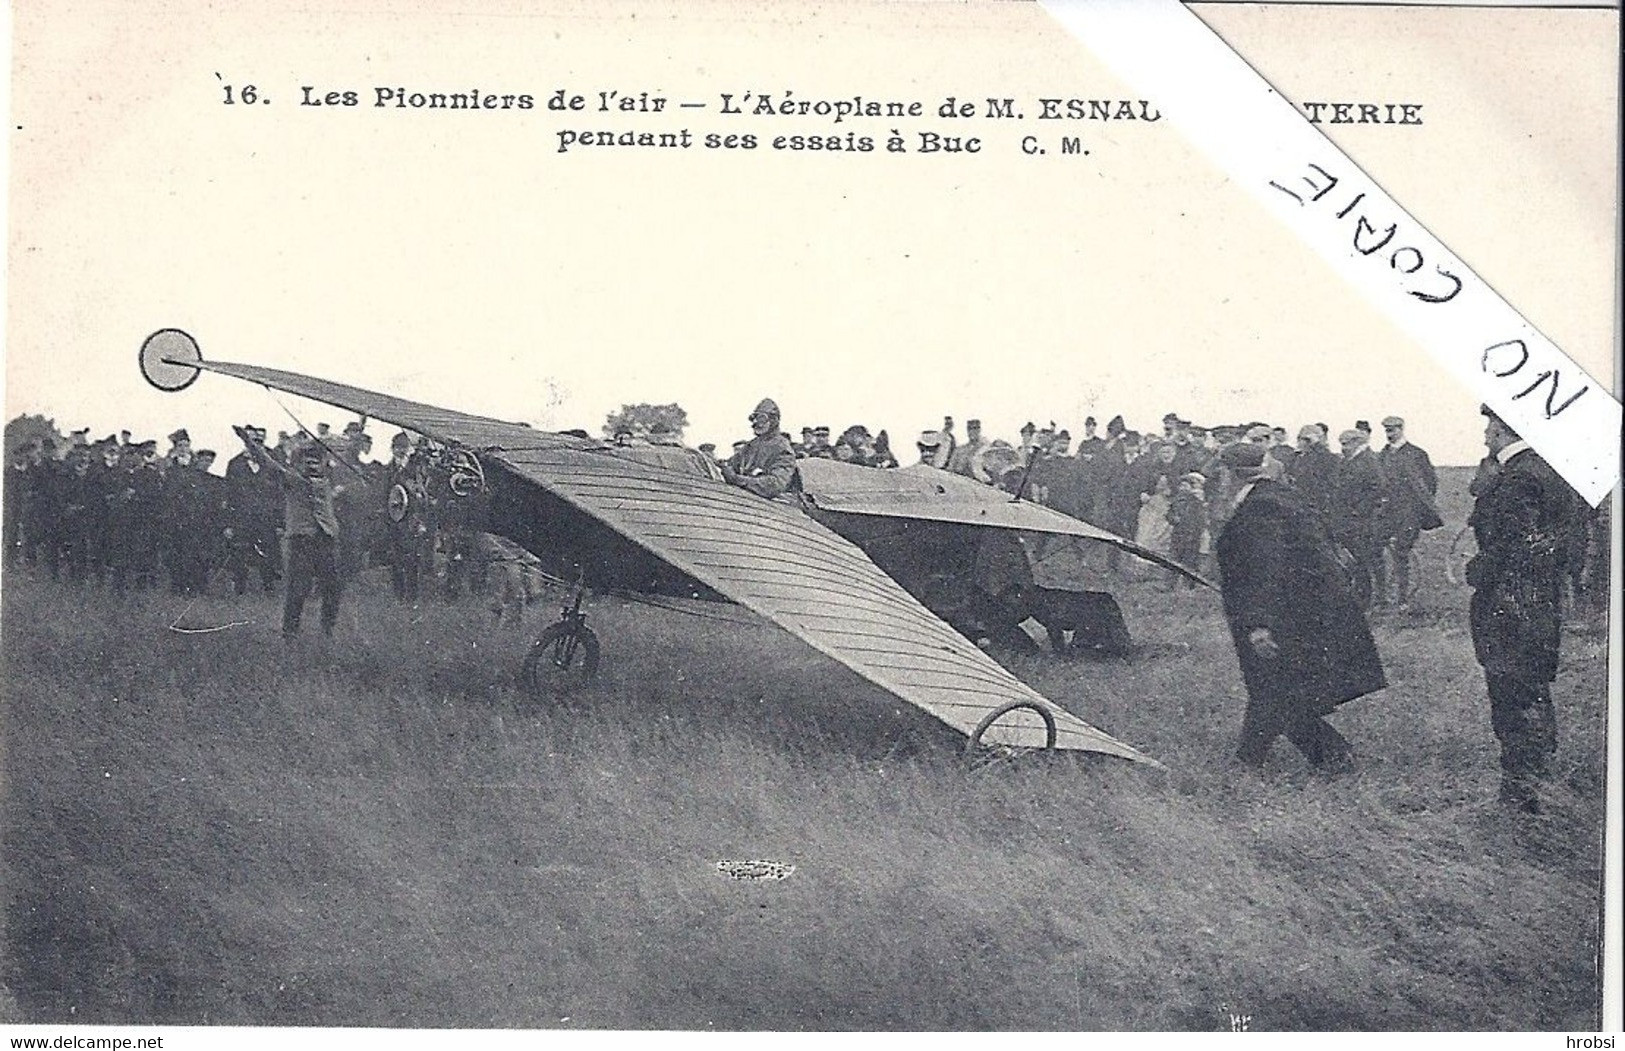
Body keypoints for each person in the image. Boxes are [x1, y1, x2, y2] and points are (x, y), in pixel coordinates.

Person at [1214, 442, 1386, 769]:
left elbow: (1264, 569)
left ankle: (1249, 765)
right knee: (1280, 691)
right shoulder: (1280, 497)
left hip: (1285, 616)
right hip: (1305, 612)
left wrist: (1259, 624)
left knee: (1271, 691)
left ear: (1230, 473)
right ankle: (1332, 756)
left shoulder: (1259, 509)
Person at [1466, 406, 1574, 812]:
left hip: (1511, 606)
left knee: (1512, 697)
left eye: (1488, 426)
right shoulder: (1545, 469)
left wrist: (1479, 569)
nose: (1484, 435)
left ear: (1500, 429)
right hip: (1538, 603)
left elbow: (1514, 546)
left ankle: (1522, 796)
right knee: (1531, 692)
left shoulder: (1518, 479)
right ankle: (1535, 785)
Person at [236, 429, 343, 638]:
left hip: (325, 539)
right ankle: (290, 633)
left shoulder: (327, 481)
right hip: (301, 540)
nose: (312, 466)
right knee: (298, 589)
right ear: (299, 463)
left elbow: (344, 452)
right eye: (307, 462)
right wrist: (248, 441)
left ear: (323, 463)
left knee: (332, 588)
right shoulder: (291, 479)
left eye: (316, 462)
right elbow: (266, 462)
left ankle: (327, 630)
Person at [1376, 416, 1443, 608]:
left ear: (1401, 429)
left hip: (1409, 512)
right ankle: (1381, 596)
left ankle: (1402, 598)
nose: (1390, 434)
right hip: (1388, 511)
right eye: (1387, 430)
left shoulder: (1416, 453)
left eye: (1393, 430)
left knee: (1401, 552)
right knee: (1374, 547)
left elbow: (1430, 481)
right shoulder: (1384, 454)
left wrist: (1419, 506)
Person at [1332, 428, 1388, 609]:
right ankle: (1364, 598)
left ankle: (1367, 601)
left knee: (1363, 561)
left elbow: (1378, 488)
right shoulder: (1351, 460)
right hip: (1350, 518)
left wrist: (1360, 510)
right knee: (1356, 561)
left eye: (1346, 444)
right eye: (1342, 444)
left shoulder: (1369, 460)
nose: (1342, 448)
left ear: (1357, 443)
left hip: (1362, 521)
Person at [722, 399, 798, 501]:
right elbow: (731, 464)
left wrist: (736, 479)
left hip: (774, 506)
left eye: (761, 418)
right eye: (753, 418)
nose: (755, 423)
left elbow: (775, 485)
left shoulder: (782, 448)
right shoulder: (751, 445)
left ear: (774, 420)